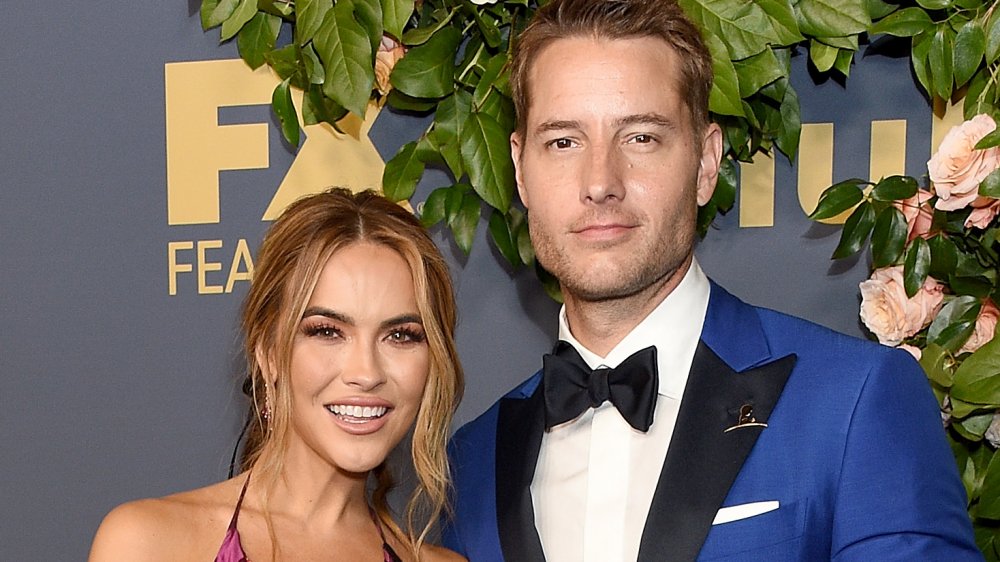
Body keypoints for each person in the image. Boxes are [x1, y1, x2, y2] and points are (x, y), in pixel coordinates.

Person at [441, 0, 981, 560]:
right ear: (521, 170)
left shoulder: (855, 403)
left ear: (705, 164)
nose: (600, 182)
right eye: (563, 142)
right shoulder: (472, 463)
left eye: (641, 138)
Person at [89, 189, 466, 562]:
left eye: (401, 336)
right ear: (268, 352)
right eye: (327, 331)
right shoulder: (148, 544)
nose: (366, 373)